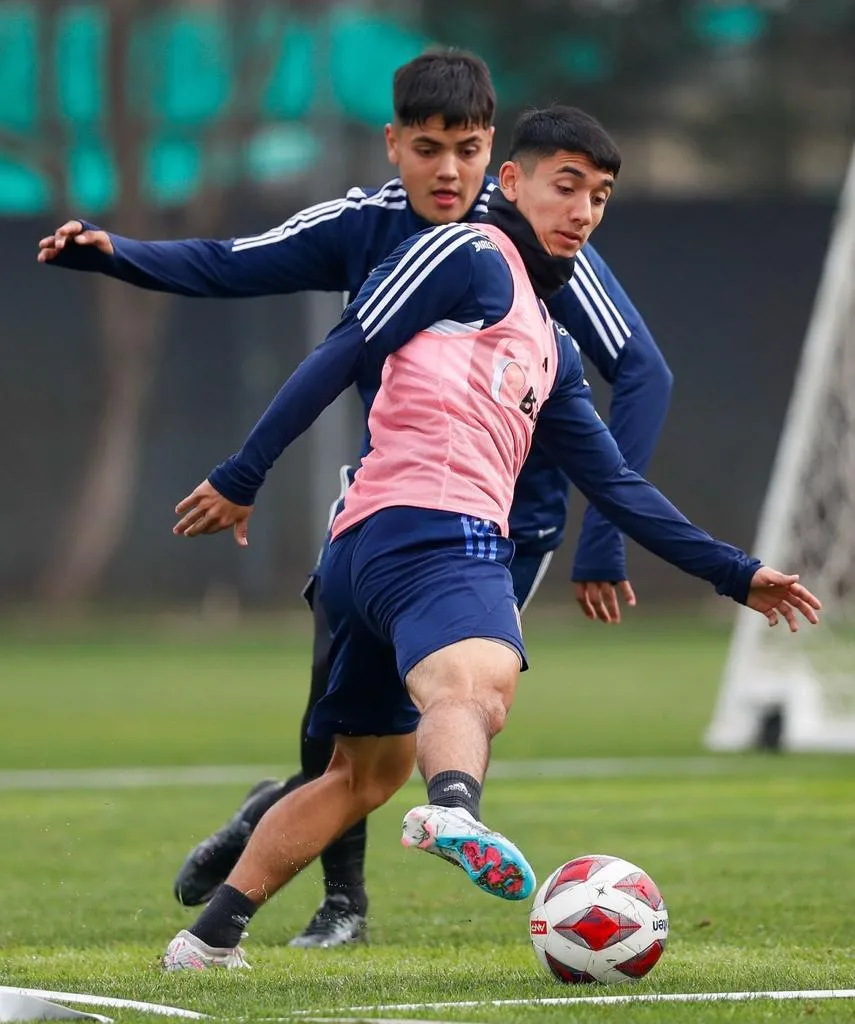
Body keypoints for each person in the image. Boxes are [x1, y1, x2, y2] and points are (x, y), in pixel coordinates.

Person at [160, 105, 820, 970]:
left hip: (365, 551)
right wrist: (244, 473)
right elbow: (344, 346)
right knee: (478, 687)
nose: (583, 210)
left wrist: (736, 575)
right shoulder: (465, 251)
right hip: (434, 535)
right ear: (510, 183)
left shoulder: (552, 348)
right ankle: (456, 808)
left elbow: (616, 486)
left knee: (356, 778)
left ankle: (210, 938)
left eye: (601, 196)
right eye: (566, 186)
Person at [38, 51, 673, 948]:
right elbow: (231, 262)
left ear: (490, 152)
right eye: (426, 148)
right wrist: (119, 255)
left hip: (504, 523)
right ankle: (325, 882)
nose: (446, 171)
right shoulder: (364, 224)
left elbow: (640, 368)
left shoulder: (525, 242)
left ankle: (318, 874)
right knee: (341, 714)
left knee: (422, 716)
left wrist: (601, 538)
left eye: (464, 150)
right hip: (386, 496)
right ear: (393, 146)